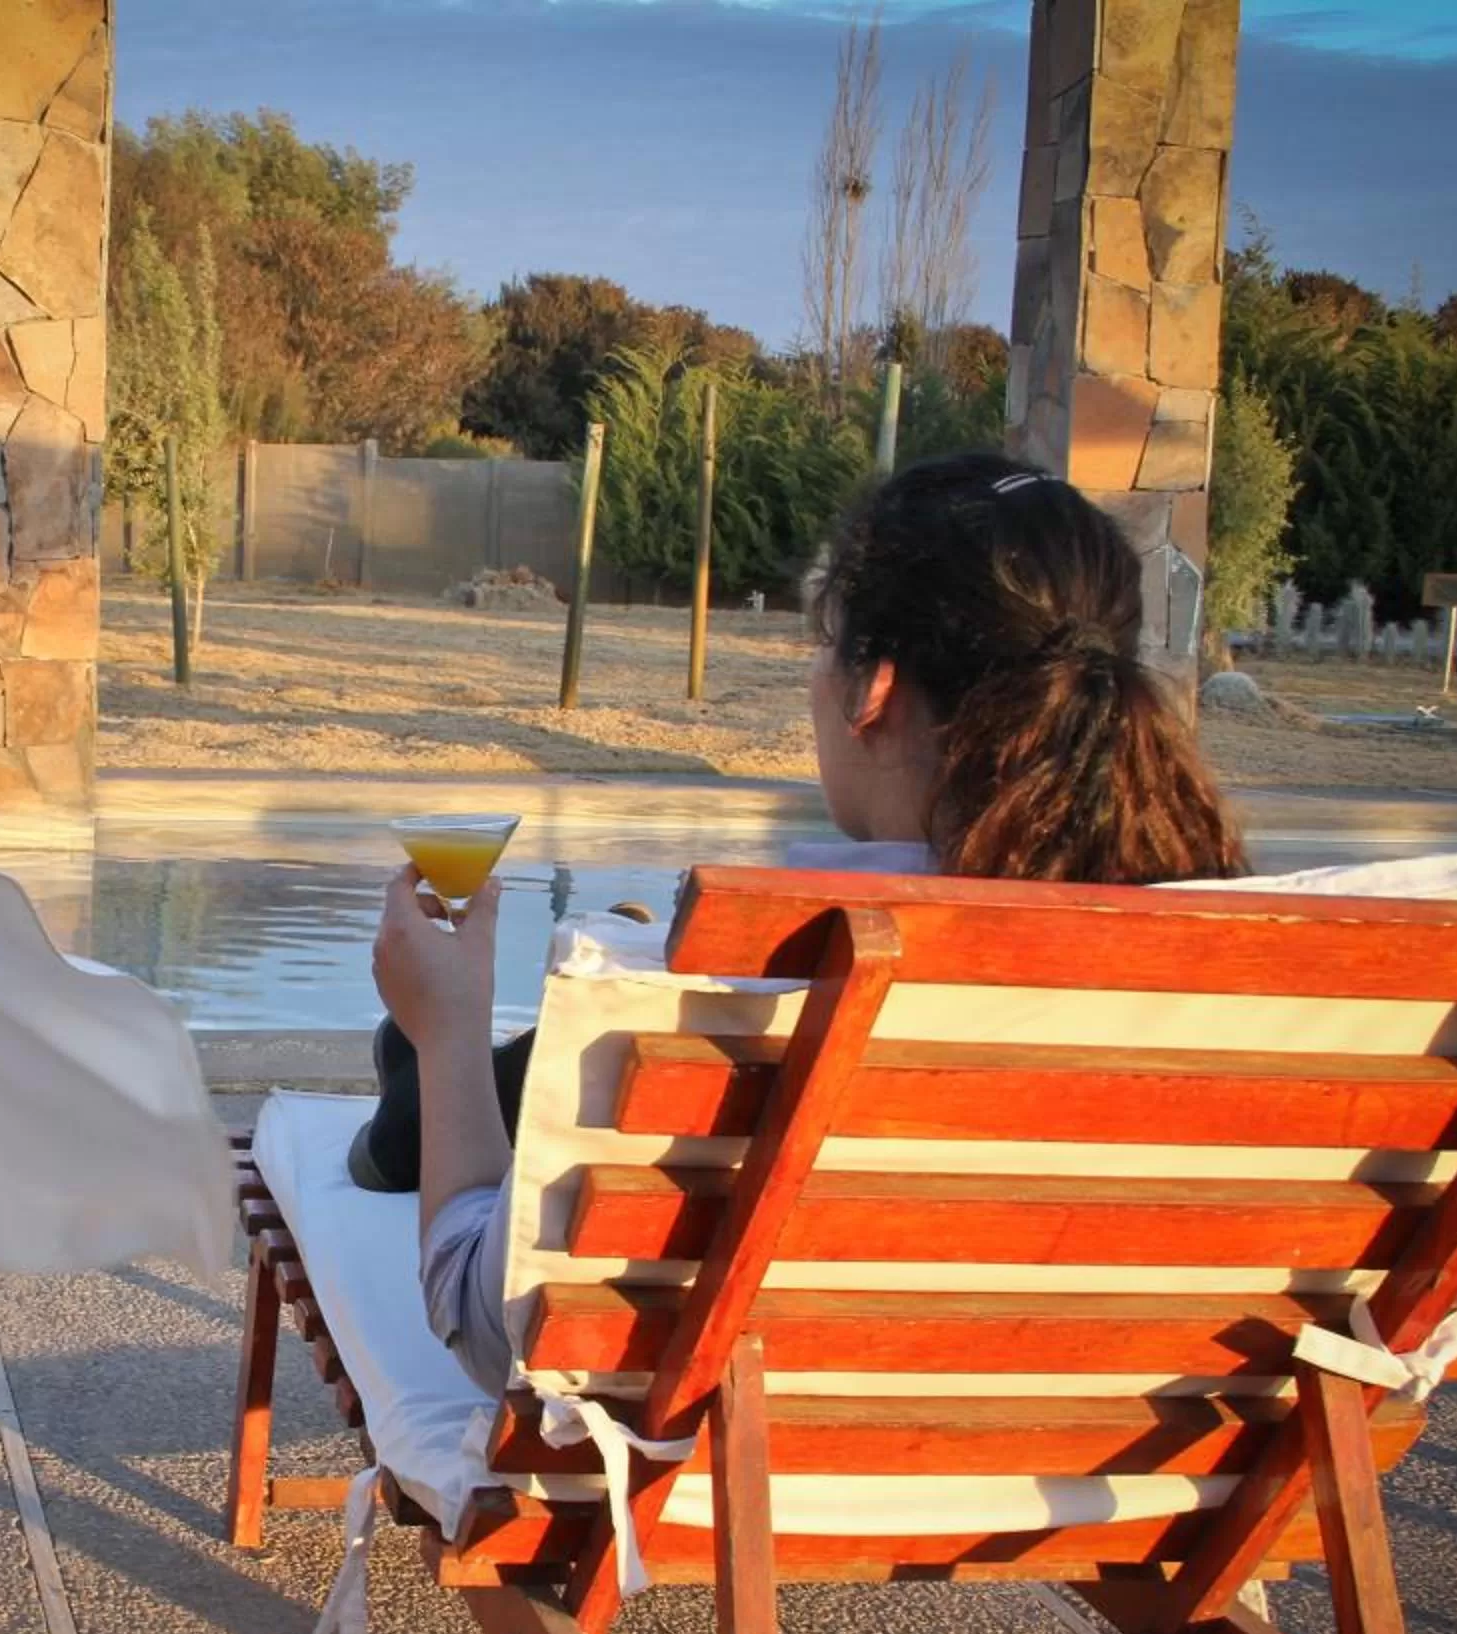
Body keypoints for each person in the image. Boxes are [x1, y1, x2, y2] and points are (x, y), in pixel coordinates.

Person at [367, 451, 1248, 1392]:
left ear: (874, 690)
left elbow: (496, 1336)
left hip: (756, 1459)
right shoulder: (1245, 977)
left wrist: (448, 1032)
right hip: (1146, 1452)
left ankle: (413, 1083)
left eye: (822, 648)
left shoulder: (746, 976)